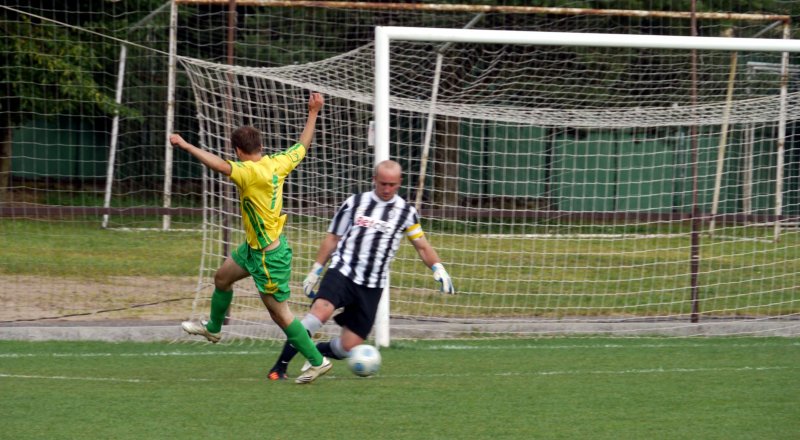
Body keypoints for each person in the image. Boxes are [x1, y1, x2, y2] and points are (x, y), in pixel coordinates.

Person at [170, 92, 332, 384]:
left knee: (280, 315)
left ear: (238, 151)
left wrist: (185, 144)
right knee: (222, 278)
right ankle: (214, 328)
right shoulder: (277, 163)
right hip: (253, 249)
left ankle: (317, 361)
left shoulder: (247, 172)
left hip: (269, 257)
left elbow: (219, 166)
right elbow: (301, 146)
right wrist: (313, 112)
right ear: (261, 146)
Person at [267, 159, 455, 380]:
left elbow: (422, 246)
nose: (387, 189)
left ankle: (315, 353)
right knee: (318, 314)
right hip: (343, 272)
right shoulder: (355, 203)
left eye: (392, 185)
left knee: (348, 346)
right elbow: (333, 237)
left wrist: (438, 268)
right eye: (383, 183)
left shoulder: (406, 212)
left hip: (372, 285)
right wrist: (316, 270)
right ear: (374, 179)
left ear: (400, 183)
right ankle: (279, 368)